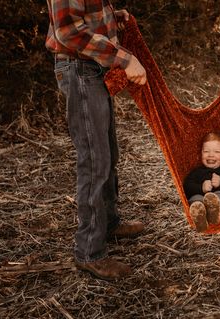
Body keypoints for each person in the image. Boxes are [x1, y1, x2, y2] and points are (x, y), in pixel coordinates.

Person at [46, 0, 147, 280]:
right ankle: (89, 251)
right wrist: (125, 59)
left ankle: (110, 223)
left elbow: (88, 15)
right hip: (80, 71)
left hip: (94, 69)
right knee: (94, 160)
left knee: (108, 153)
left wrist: (115, 17)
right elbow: (68, 31)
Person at [183, 132, 220, 232]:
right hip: (198, 196)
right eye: (206, 151)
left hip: (218, 195)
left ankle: (214, 212)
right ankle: (200, 219)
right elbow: (186, 186)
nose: (211, 155)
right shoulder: (197, 171)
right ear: (201, 153)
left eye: (217, 152)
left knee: (219, 195)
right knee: (196, 200)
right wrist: (201, 188)